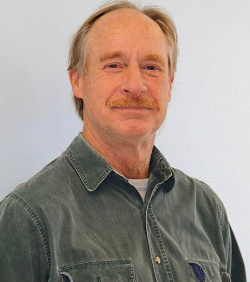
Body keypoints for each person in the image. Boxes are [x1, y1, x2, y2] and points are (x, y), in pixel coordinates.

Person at [0, 1, 246, 281]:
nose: (135, 84)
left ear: (170, 84)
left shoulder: (207, 210)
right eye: (114, 65)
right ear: (78, 80)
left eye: (152, 67)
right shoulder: (28, 215)